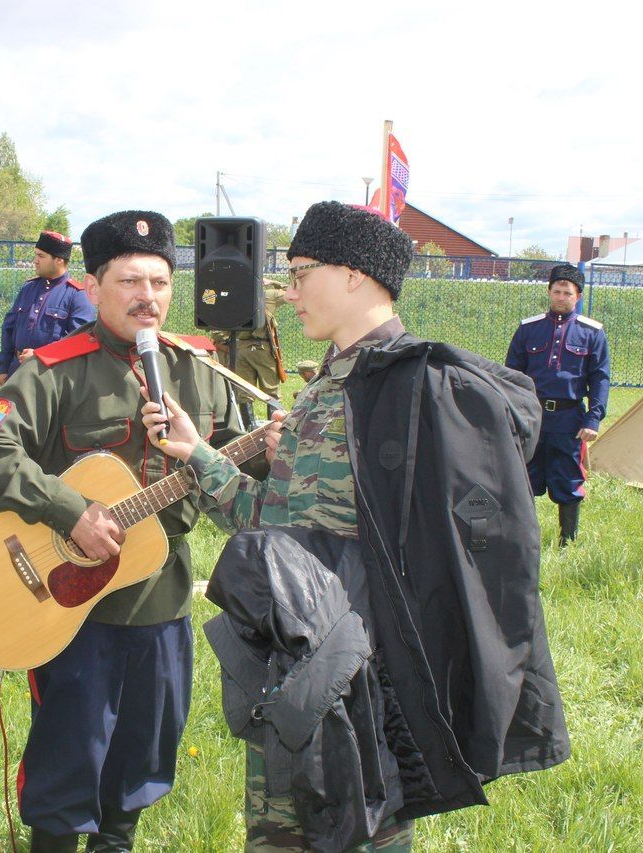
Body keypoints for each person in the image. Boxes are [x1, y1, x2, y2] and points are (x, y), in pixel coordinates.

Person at [142, 202, 570, 851]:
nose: (289, 292)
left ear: (354, 275)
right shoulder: (342, 389)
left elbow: (304, 540)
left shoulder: (382, 394)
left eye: (302, 271)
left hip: (346, 698)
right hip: (321, 685)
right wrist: (199, 452)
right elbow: (281, 529)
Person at [0, 211, 250, 852]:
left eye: (160, 281)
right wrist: (69, 511)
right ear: (92, 287)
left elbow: (233, 466)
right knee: (70, 757)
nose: (148, 297)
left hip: (161, 596)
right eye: (129, 281)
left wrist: (238, 453)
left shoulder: (202, 369)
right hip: (67, 603)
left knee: (144, 754)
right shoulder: (53, 370)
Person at [504, 263, 610, 545]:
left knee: (568, 479)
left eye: (567, 293)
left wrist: (594, 419)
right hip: (532, 416)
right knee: (524, 477)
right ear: (549, 292)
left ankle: (568, 542)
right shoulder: (529, 329)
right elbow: (512, 373)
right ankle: (524, 539)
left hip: (569, 419)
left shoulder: (592, 333)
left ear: (578, 296)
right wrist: (511, 411)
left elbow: (600, 379)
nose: (561, 297)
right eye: (557, 291)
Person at [0, 230, 95, 383]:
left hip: (52, 375)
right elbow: (8, 328)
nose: (35, 260)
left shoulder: (78, 295)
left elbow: (78, 342)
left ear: (59, 260)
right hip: (17, 372)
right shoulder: (28, 288)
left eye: (41, 256)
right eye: (35, 255)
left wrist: (39, 356)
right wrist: (3, 368)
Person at [210, 277, 288, 399]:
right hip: (263, 349)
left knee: (244, 392)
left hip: (241, 349)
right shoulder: (268, 296)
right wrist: (273, 282)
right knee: (271, 391)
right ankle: (275, 418)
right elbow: (292, 292)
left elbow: (217, 331)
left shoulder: (230, 301)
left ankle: (246, 419)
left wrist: (227, 343)